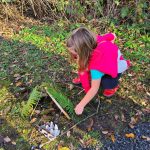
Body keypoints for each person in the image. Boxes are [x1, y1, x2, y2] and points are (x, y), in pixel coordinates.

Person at [66, 27, 130, 115]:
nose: (74, 56)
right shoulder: (93, 40)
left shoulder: (97, 66)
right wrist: (113, 36)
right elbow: (109, 36)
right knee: (89, 71)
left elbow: (94, 89)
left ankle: (112, 87)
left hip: (116, 66)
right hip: (105, 60)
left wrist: (81, 105)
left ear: (84, 52)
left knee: (107, 82)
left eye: (76, 54)